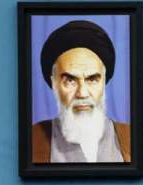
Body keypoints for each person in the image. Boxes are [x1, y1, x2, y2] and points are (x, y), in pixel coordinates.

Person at [32, 20, 130, 163]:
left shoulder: (131, 137)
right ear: (54, 83)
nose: (82, 93)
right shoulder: (32, 139)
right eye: (70, 80)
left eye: (92, 79)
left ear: (104, 82)